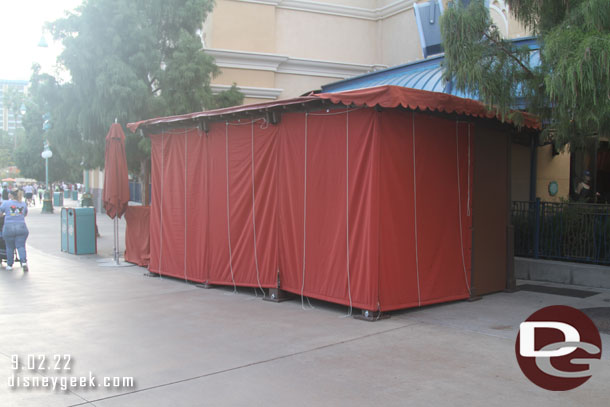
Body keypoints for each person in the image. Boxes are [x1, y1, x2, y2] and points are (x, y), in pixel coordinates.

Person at [0, 189, 29, 271]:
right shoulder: (23, 203)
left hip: (8, 227)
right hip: (22, 227)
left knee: (9, 247)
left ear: (11, 195)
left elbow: (0, 213)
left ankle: (9, 265)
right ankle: (23, 262)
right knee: (21, 246)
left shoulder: (6, 203)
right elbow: (25, 214)